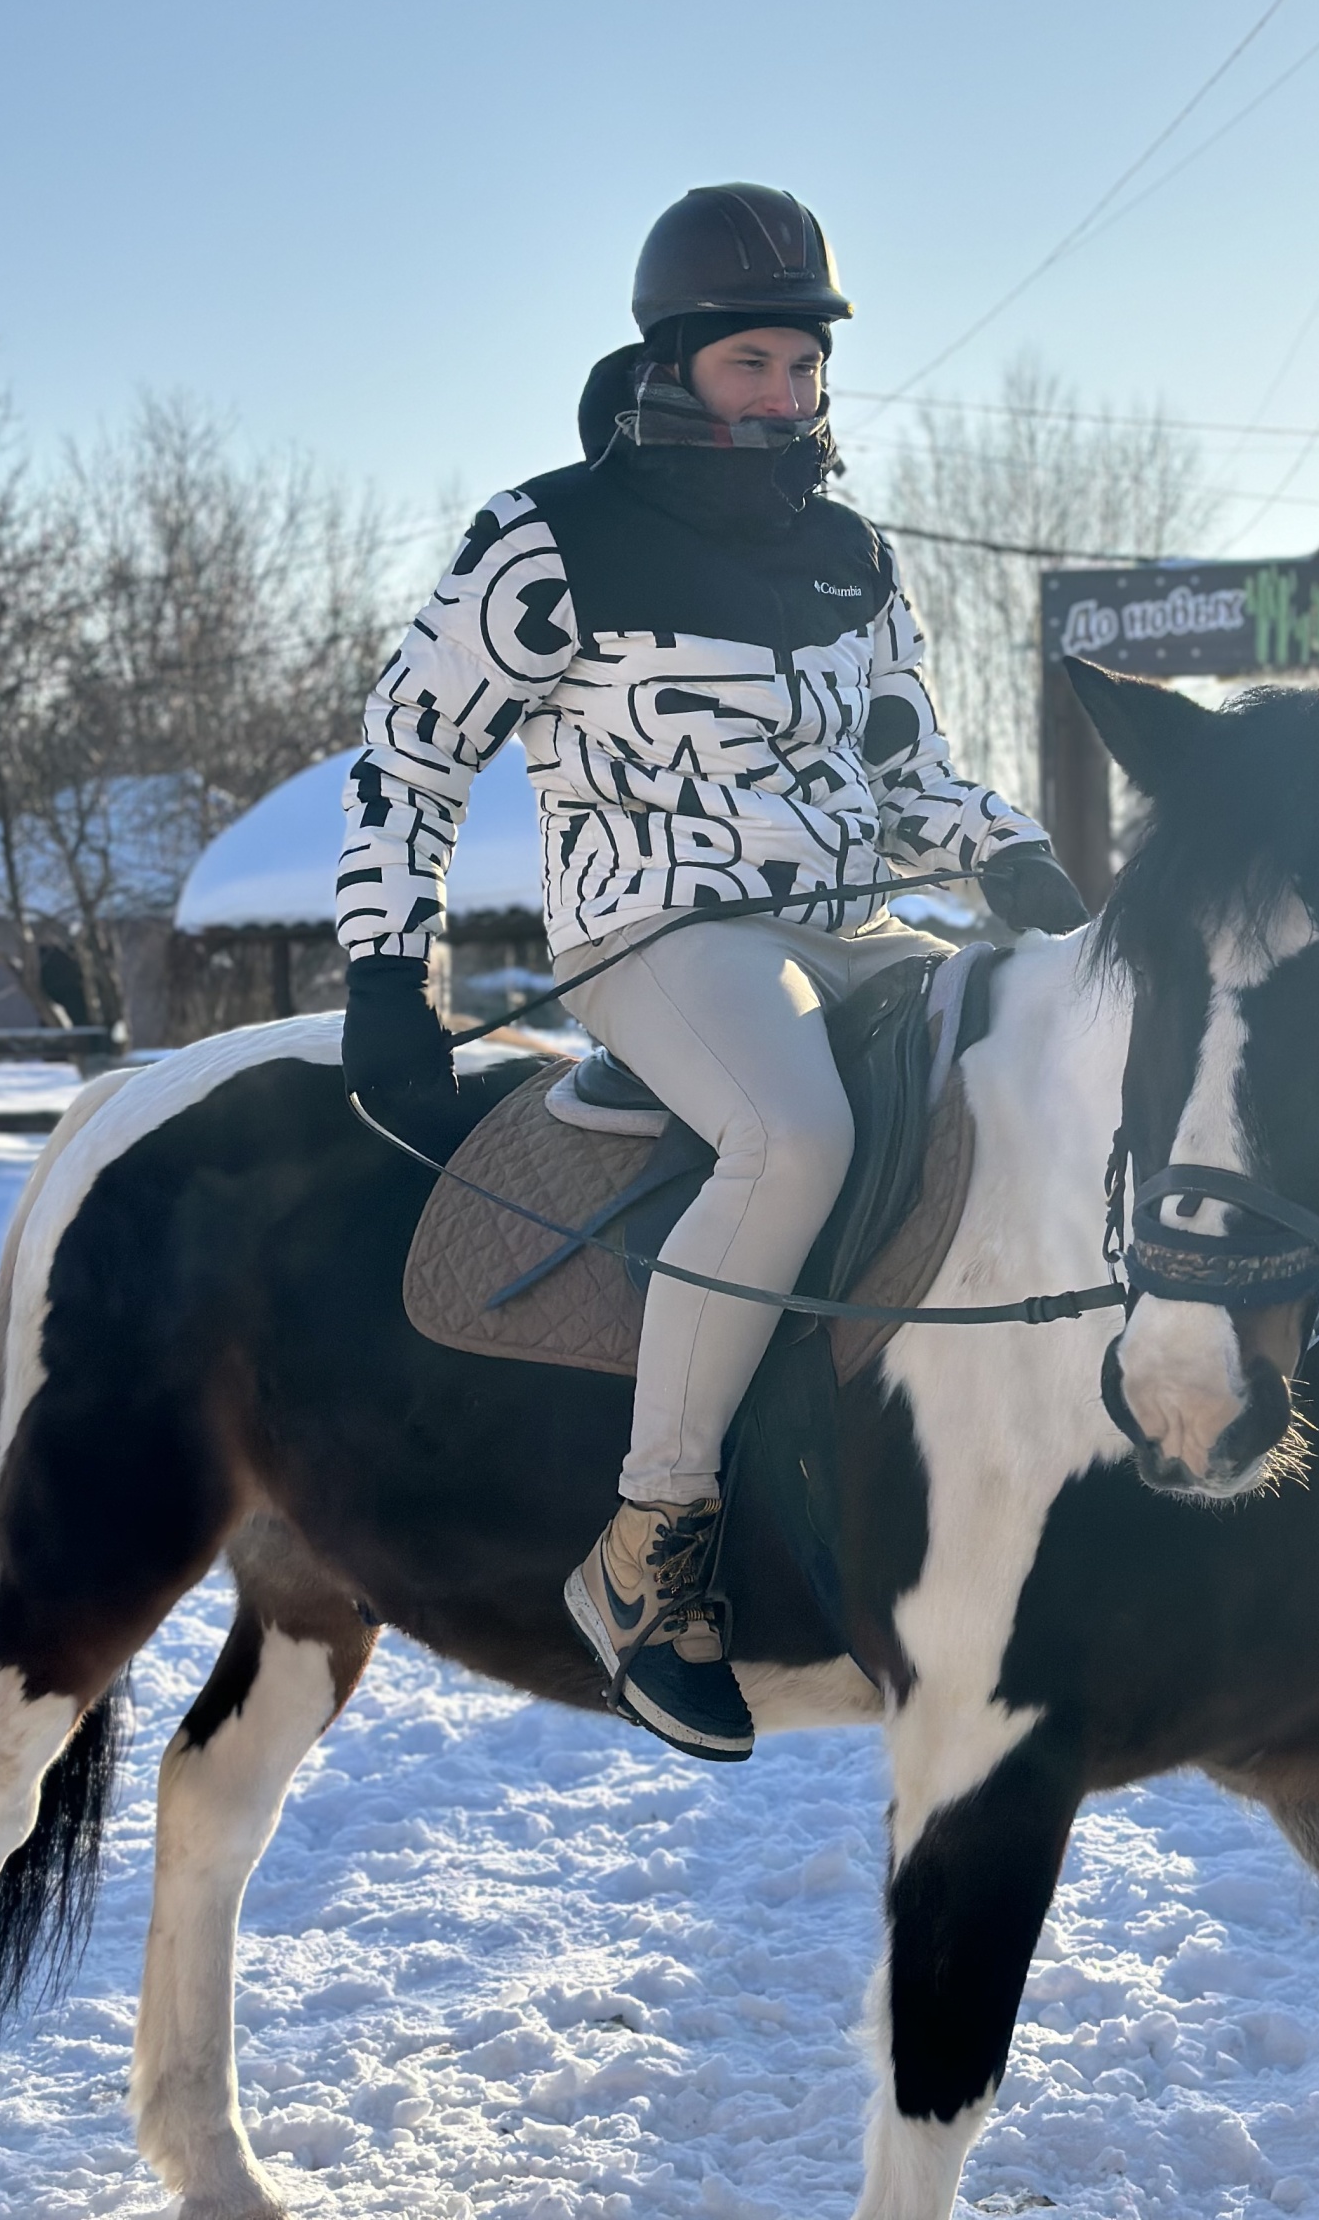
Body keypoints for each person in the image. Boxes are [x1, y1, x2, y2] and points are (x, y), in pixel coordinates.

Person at [337, 183, 1086, 1761]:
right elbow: (408, 757)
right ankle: (649, 1551)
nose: (793, 397)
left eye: (809, 368)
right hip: (658, 931)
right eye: (758, 364)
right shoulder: (546, 541)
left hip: (859, 919)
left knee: (1036, 1058)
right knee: (794, 1134)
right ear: (674, 360)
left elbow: (908, 772)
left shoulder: (853, 556)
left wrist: (1010, 859)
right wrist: (385, 978)